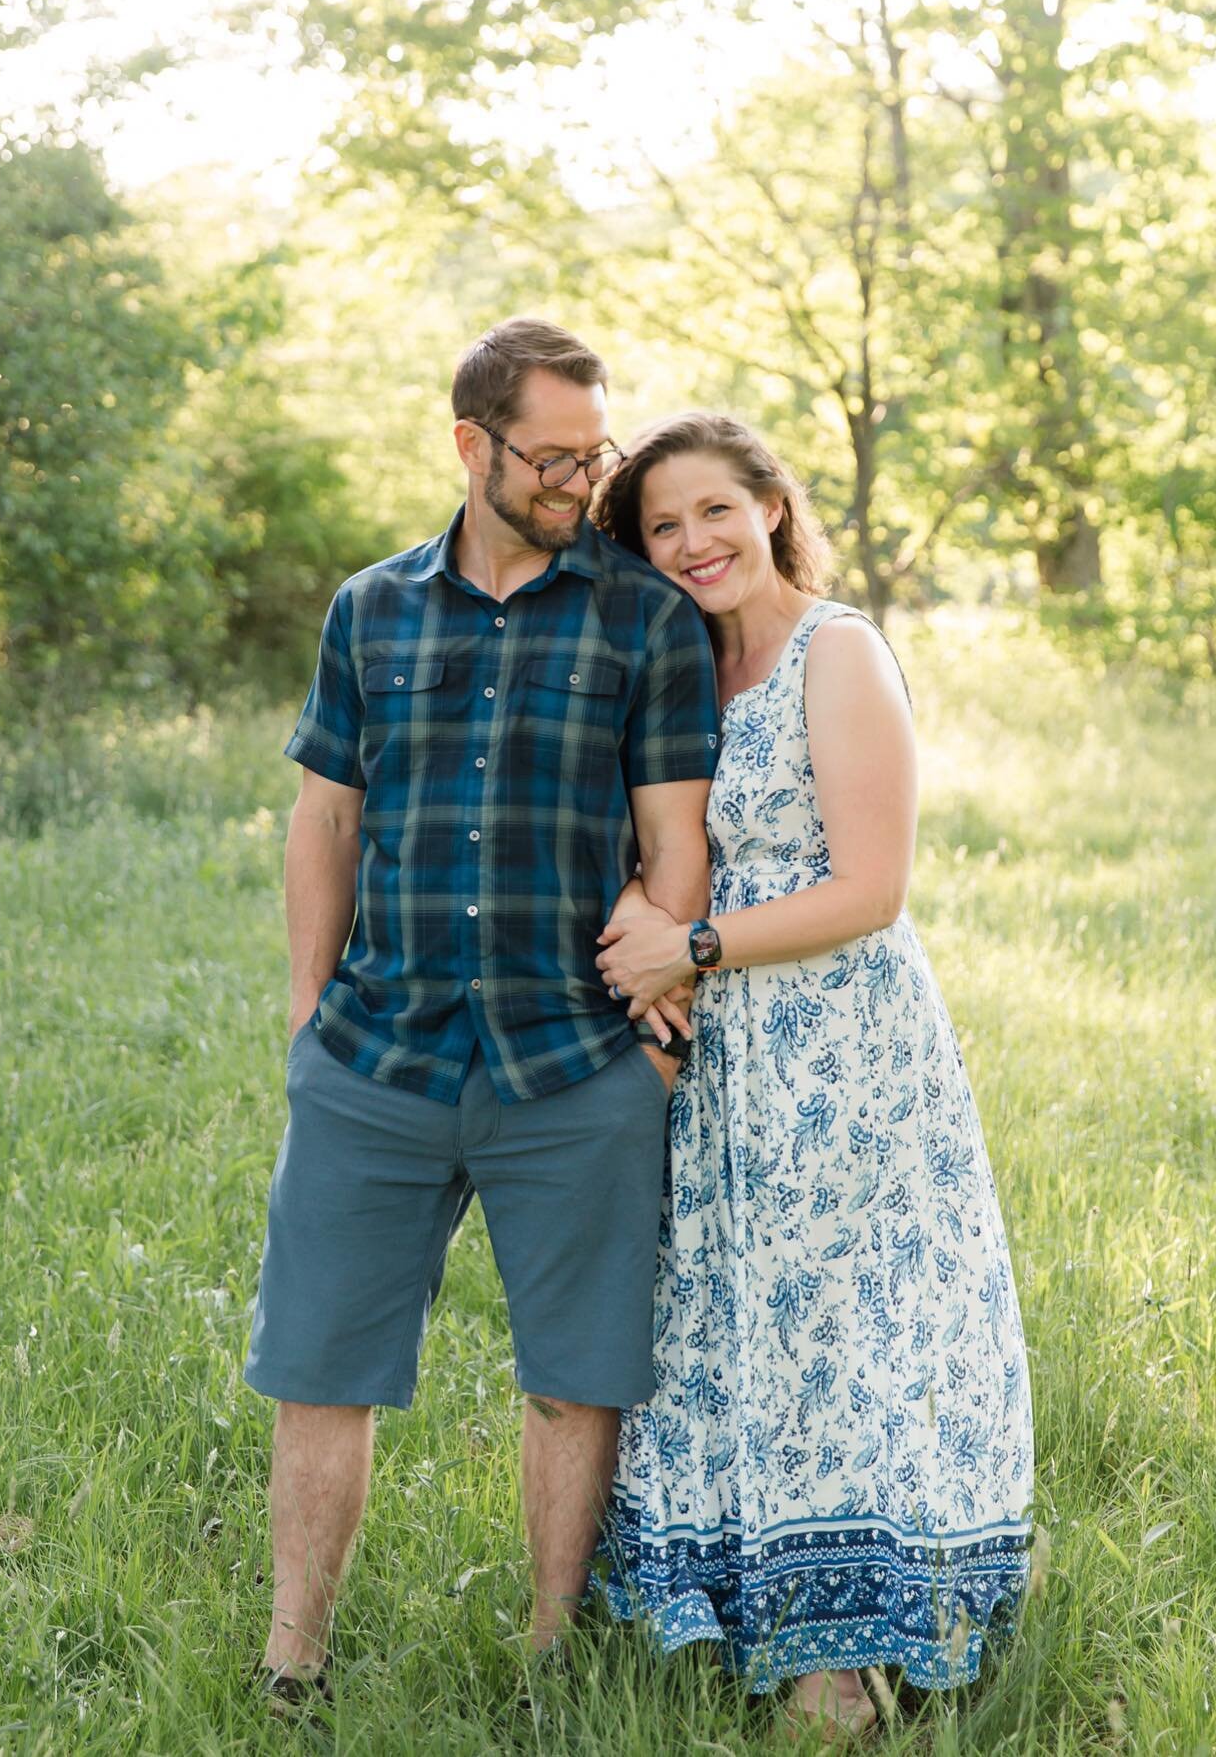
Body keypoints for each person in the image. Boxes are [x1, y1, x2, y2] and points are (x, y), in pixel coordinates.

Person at [242, 322, 720, 1707]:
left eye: (597, 454)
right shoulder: (369, 610)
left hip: (572, 1059)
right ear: (472, 445)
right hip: (375, 1054)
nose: (585, 481)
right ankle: (293, 1664)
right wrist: (305, 1018)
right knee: (319, 1367)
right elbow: (326, 820)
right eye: (556, 456)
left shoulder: (644, 617)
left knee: (577, 1376)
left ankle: (554, 1651)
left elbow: (674, 837)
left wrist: (657, 1008)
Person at [591, 413, 1034, 1741]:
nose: (692, 544)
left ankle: (852, 1657)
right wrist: (646, 940)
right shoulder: (671, 666)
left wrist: (697, 942)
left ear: (773, 505)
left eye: (715, 512)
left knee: (850, 1331)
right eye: (662, 527)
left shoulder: (837, 654)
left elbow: (873, 887)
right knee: (730, 1330)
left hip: (845, 1045)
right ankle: (740, 1613)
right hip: (715, 1058)